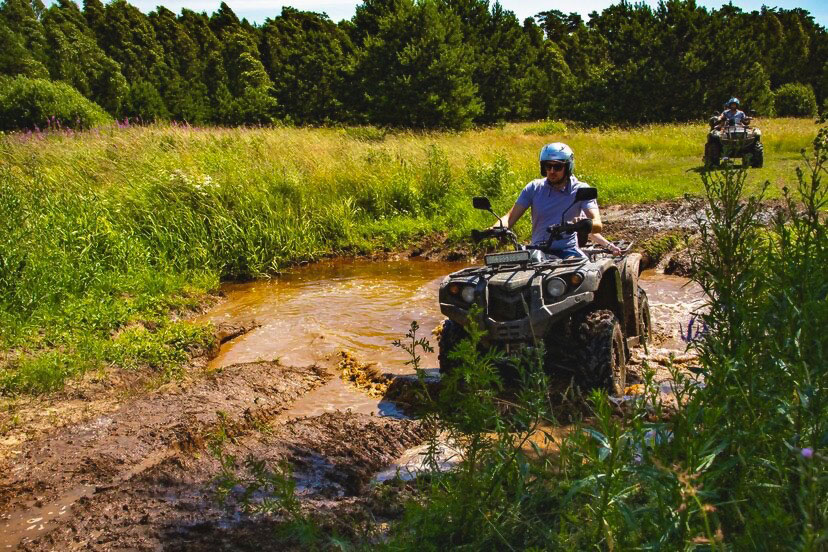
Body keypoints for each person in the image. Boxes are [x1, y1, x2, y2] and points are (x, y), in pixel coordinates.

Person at [491, 142, 607, 259]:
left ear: (568, 167)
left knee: (585, 274)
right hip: (537, 252)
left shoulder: (581, 190)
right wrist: (494, 229)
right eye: (548, 166)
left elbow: (597, 223)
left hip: (568, 251)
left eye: (557, 167)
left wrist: (582, 224)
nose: (552, 171)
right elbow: (510, 217)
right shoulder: (534, 188)